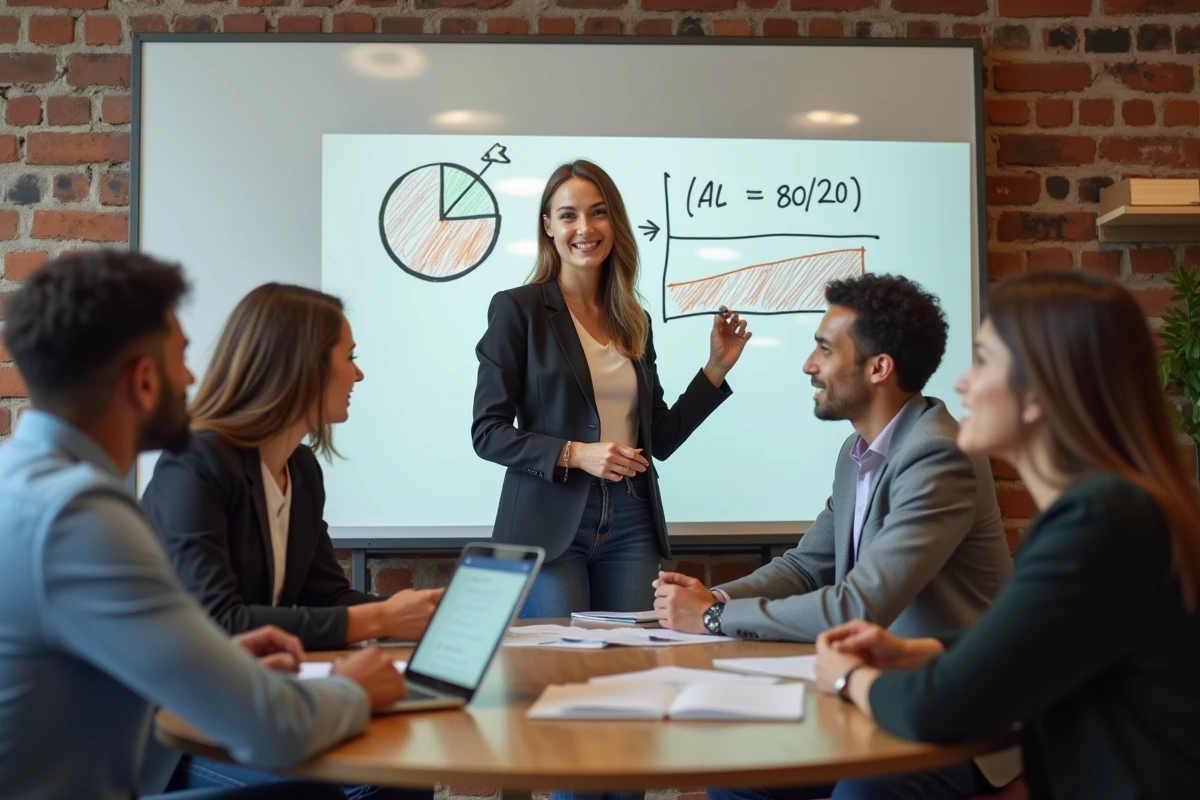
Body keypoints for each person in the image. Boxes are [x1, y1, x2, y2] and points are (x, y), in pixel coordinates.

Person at [0, 250, 409, 800]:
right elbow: (274, 730)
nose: (193, 377)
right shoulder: (78, 518)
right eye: (181, 358)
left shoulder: (24, 484)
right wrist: (352, 689)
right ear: (144, 381)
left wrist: (218, 658)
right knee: (321, 790)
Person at [813, 270, 1200, 800]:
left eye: (985, 361)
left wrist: (845, 677)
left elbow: (939, 709)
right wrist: (922, 649)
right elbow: (1042, 638)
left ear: (1038, 391)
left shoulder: (1098, 523)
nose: (961, 382)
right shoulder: (1111, 510)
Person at [656, 273, 1018, 799]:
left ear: (878, 368)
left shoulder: (940, 455)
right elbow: (805, 566)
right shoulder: (858, 453)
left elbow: (859, 606)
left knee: (858, 794)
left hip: (959, 714)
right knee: (737, 779)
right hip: (876, 697)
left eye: (824, 349)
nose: (809, 365)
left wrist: (711, 619)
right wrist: (714, 596)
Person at [139, 283, 440, 797]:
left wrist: (415, 612)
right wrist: (383, 618)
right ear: (301, 365)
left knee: (401, 767)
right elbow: (219, 621)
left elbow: (325, 596)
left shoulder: (300, 469)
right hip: (174, 733)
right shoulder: (195, 463)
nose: (359, 374)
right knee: (365, 784)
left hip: (249, 703)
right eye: (350, 357)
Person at [472, 159, 751, 617]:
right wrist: (578, 453)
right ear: (548, 227)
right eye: (568, 215)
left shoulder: (633, 319)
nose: (585, 227)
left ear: (614, 222)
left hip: (631, 518)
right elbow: (487, 432)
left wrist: (715, 369)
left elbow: (658, 439)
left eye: (598, 212)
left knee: (626, 666)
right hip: (549, 521)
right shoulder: (517, 310)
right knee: (559, 670)